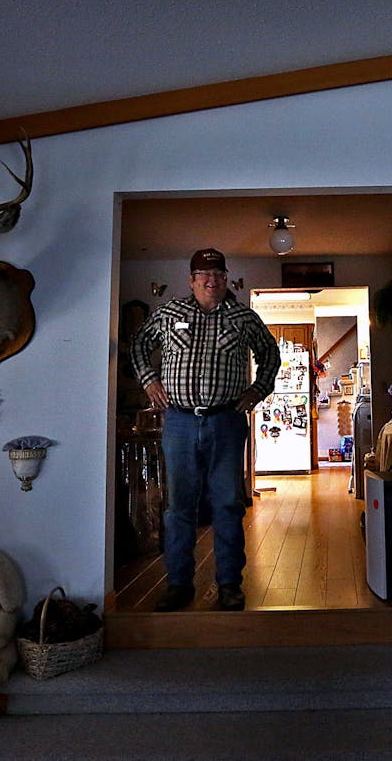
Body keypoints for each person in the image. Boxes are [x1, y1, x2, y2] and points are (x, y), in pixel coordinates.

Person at [130, 248, 280, 611]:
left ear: (226, 278)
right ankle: (179, 585)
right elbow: (139, 344)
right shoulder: (169, 313)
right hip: (178, 422)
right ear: (192, 280)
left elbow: (270, 355)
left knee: (228, 505)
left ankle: (230, 585)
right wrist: (149, 380)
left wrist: (257, 390)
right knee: (179, 507)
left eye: (218, 274)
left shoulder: (243, 317)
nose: (211, 281)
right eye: (203, 275)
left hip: (227, 421)